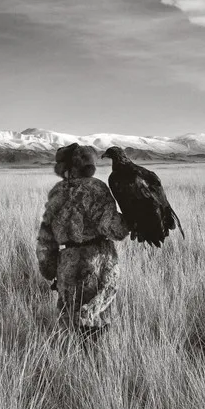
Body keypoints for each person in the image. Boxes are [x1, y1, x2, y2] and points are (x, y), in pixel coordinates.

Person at [36, 144, 130, 339]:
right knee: (95, 322)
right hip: (97, 264)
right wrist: (132, 220)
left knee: (69, 324)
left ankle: (73, 365)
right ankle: (96, 365)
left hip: (67, 266)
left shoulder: (57, 192)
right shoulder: (95, 188)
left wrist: (51, 270)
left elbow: (46, 239)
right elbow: (114, 229)